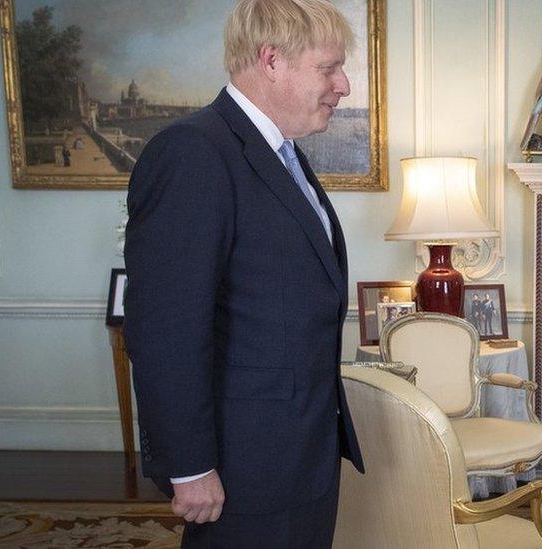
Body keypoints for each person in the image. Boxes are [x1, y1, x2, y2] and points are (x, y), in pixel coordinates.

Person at [123, 1, 362, 547]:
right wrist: (188, 465)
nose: (343, 85)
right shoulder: (193, 153)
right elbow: (165, 328)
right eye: (329, 67)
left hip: (299, 455)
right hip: (243, 468)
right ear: (271, 60)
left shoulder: (283, 153)